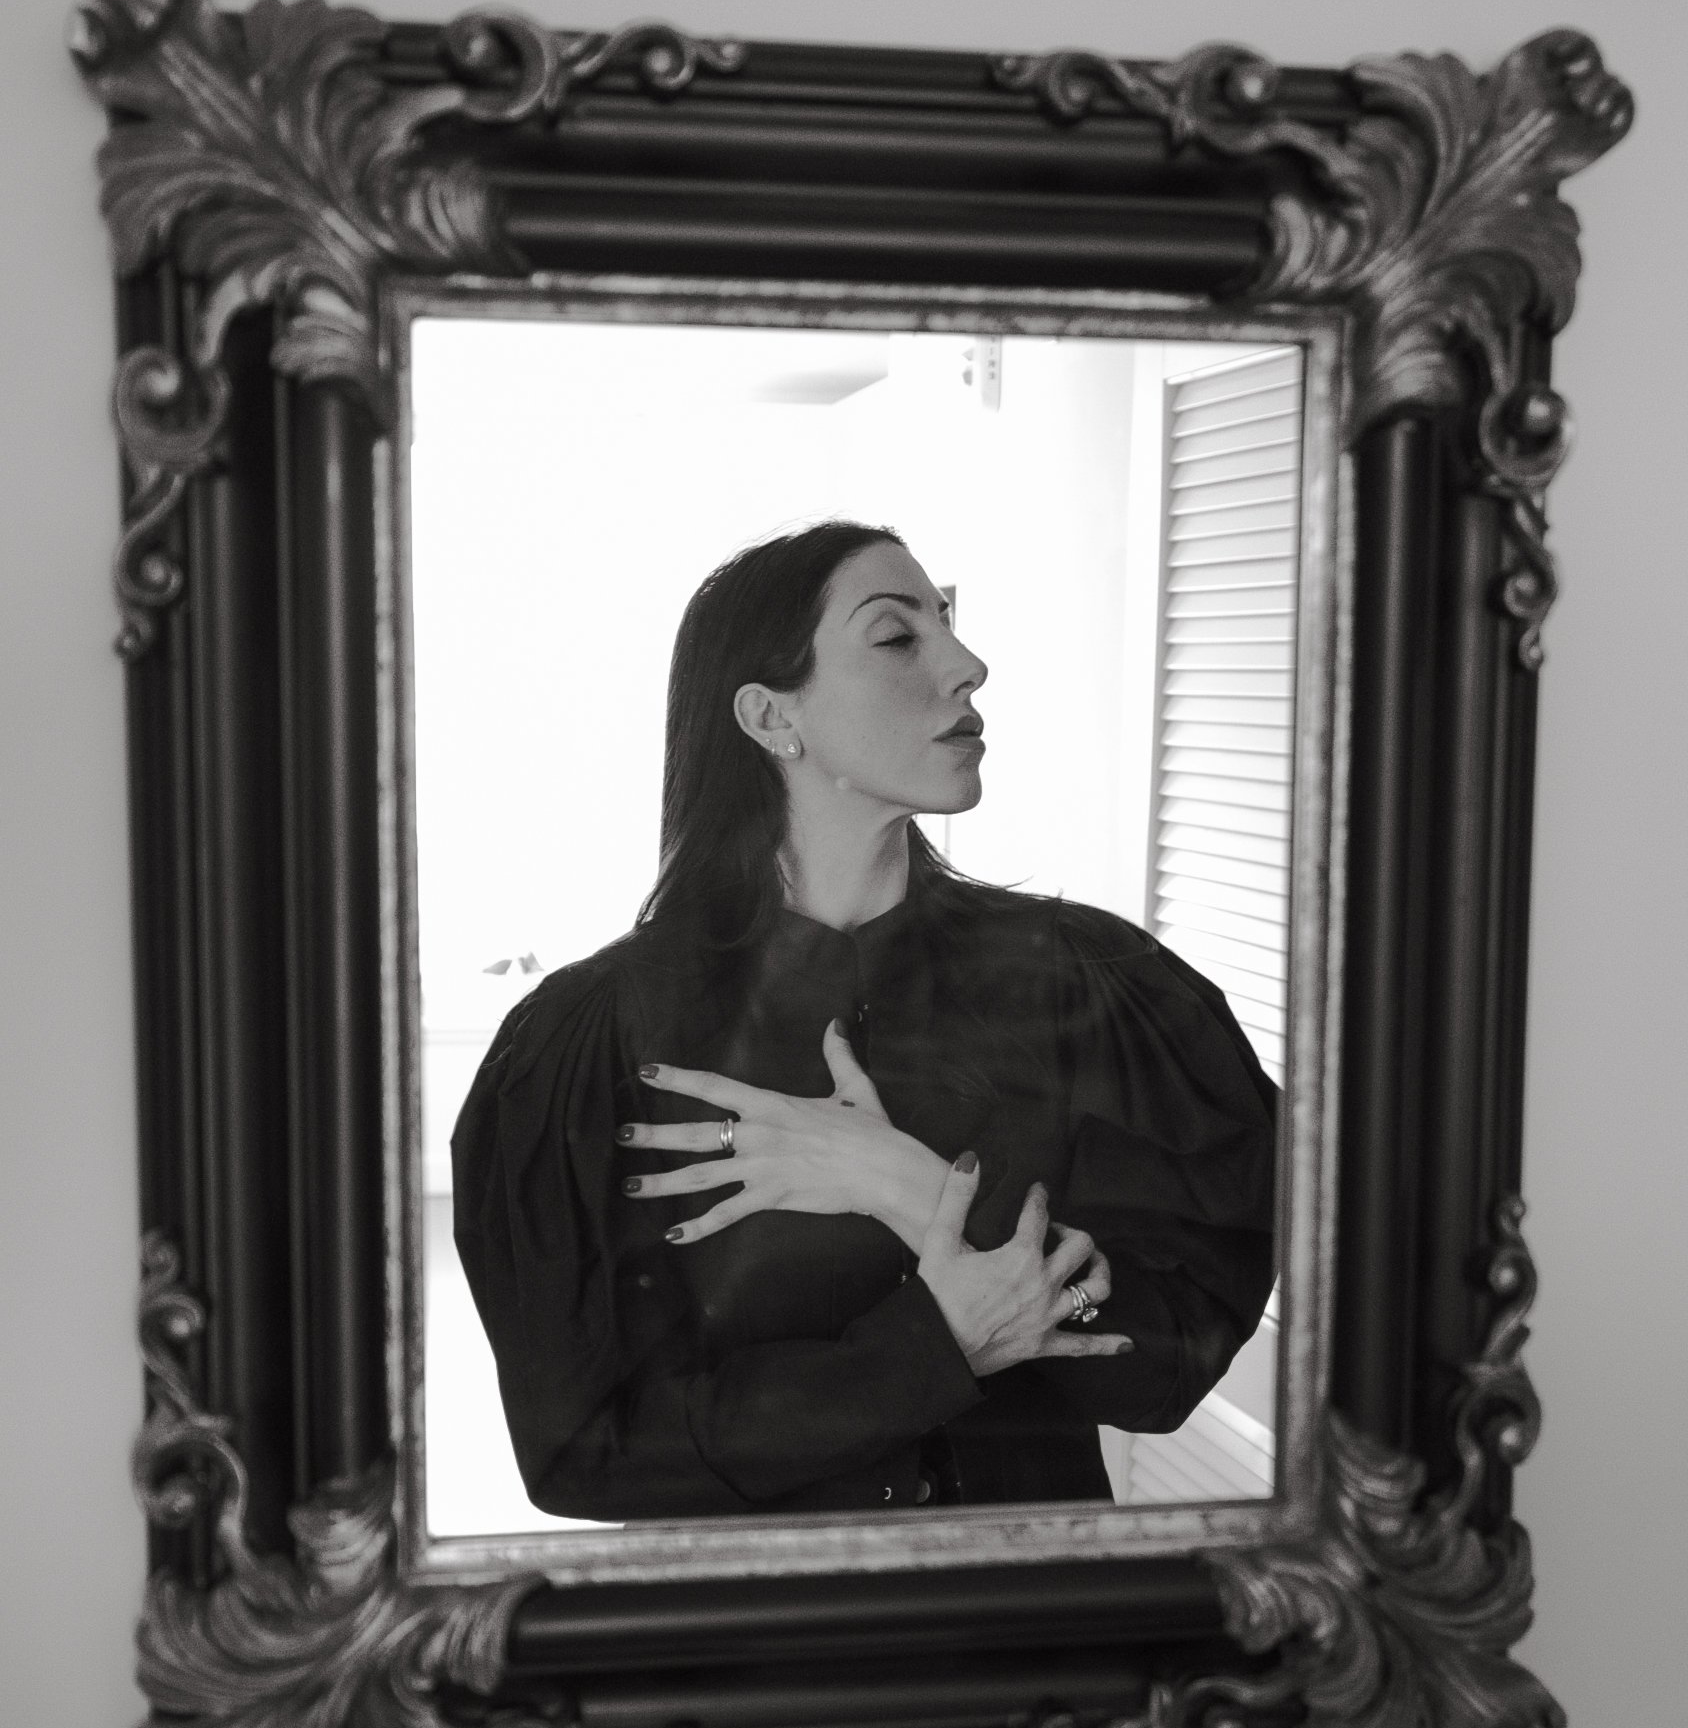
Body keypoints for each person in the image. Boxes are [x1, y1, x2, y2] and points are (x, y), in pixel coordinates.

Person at [452, 520, 1277, 1520]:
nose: (968, 667)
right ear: (768, 717)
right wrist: (931, 1348)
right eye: (897, 639)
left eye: (950, 627)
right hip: (748, 1661)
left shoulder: (1095, 989)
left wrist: (906, 1183)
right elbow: (584, 1454)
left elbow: (1162, 1368)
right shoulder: (586, 1046)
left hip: (1054, 1642)